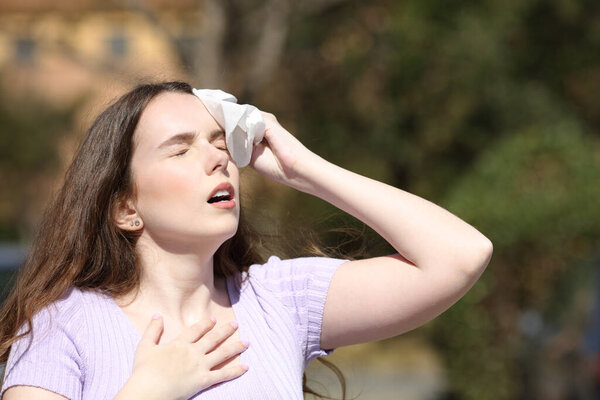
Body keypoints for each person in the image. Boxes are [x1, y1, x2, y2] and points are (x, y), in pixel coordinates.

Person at [0, 81, 493, 399]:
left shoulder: (277, 300)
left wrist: (306, 171)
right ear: (126, 208)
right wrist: (150, 392)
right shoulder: (58, 328)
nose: (218, 159)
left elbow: (460, 256)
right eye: (180, 150)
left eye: (219, 143)